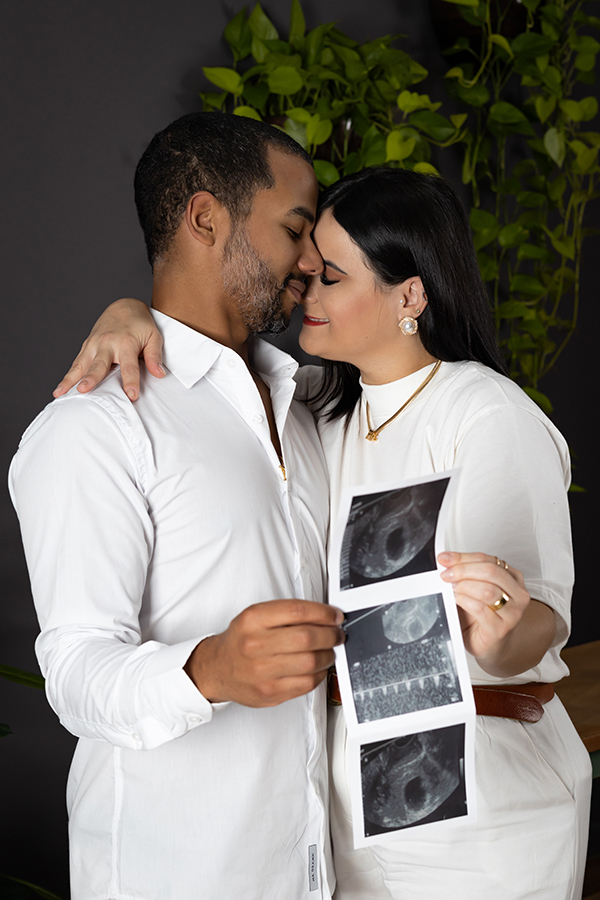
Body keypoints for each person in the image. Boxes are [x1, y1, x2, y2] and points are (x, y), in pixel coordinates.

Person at [56, 165, 592, 900]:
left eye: (331, 278)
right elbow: (212, 375)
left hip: (480, 807)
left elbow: (541, 622)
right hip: (341, 816)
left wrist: (505, 635)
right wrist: (129, 313)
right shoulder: (310, 409)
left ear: (409, 296)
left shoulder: (485, 413)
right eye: (307, 273)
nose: (304, 292)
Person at [9, 111, 347, 900]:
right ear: (205, 217)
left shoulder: (305, 405)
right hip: (175, 876)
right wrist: (209, 669)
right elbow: (75, 669)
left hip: (311, 871)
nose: (311, 260)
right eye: (294, 230)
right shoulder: (95, 427)